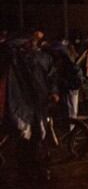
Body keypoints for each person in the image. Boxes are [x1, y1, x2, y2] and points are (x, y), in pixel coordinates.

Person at [1, 36, 58, 181]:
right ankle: (29, 170)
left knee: (38, 135)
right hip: (21, 102)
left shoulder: (42, 57)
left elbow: (51, 76)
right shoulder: (12, 58)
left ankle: (37, 168)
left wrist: (53, 92)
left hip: (38, 102)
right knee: (25, 136)